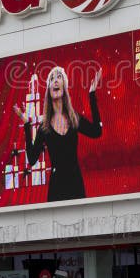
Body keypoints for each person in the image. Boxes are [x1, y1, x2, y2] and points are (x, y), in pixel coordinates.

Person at [13, 66, 102, 202]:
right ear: (49, 90)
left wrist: (92, 94)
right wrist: (26, 125)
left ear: (64, 87)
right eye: (52, 79)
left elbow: (97, 132)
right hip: (56, 189)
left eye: (59, 77)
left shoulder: (74, 119)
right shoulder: (45, 127)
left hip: (76, 185)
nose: (55, 81)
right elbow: (31, 159)